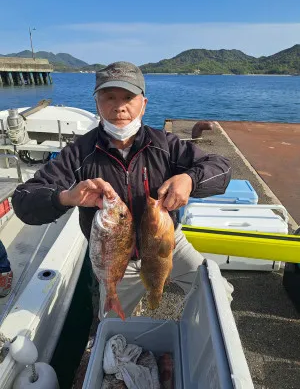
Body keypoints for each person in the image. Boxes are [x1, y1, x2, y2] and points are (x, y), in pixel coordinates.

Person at [11, 61, 232, 318]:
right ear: (97, 103)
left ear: (144, 104)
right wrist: (65, 197)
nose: (119, 106)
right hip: (114, 258)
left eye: (128, 97)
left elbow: (222, 169)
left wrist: (190, 180)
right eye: (109, 97)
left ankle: (189, 338)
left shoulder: (166, 145)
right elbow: (23, 201)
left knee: (218, 295)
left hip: (167, 245)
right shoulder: (79, 152)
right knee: (113, 323)